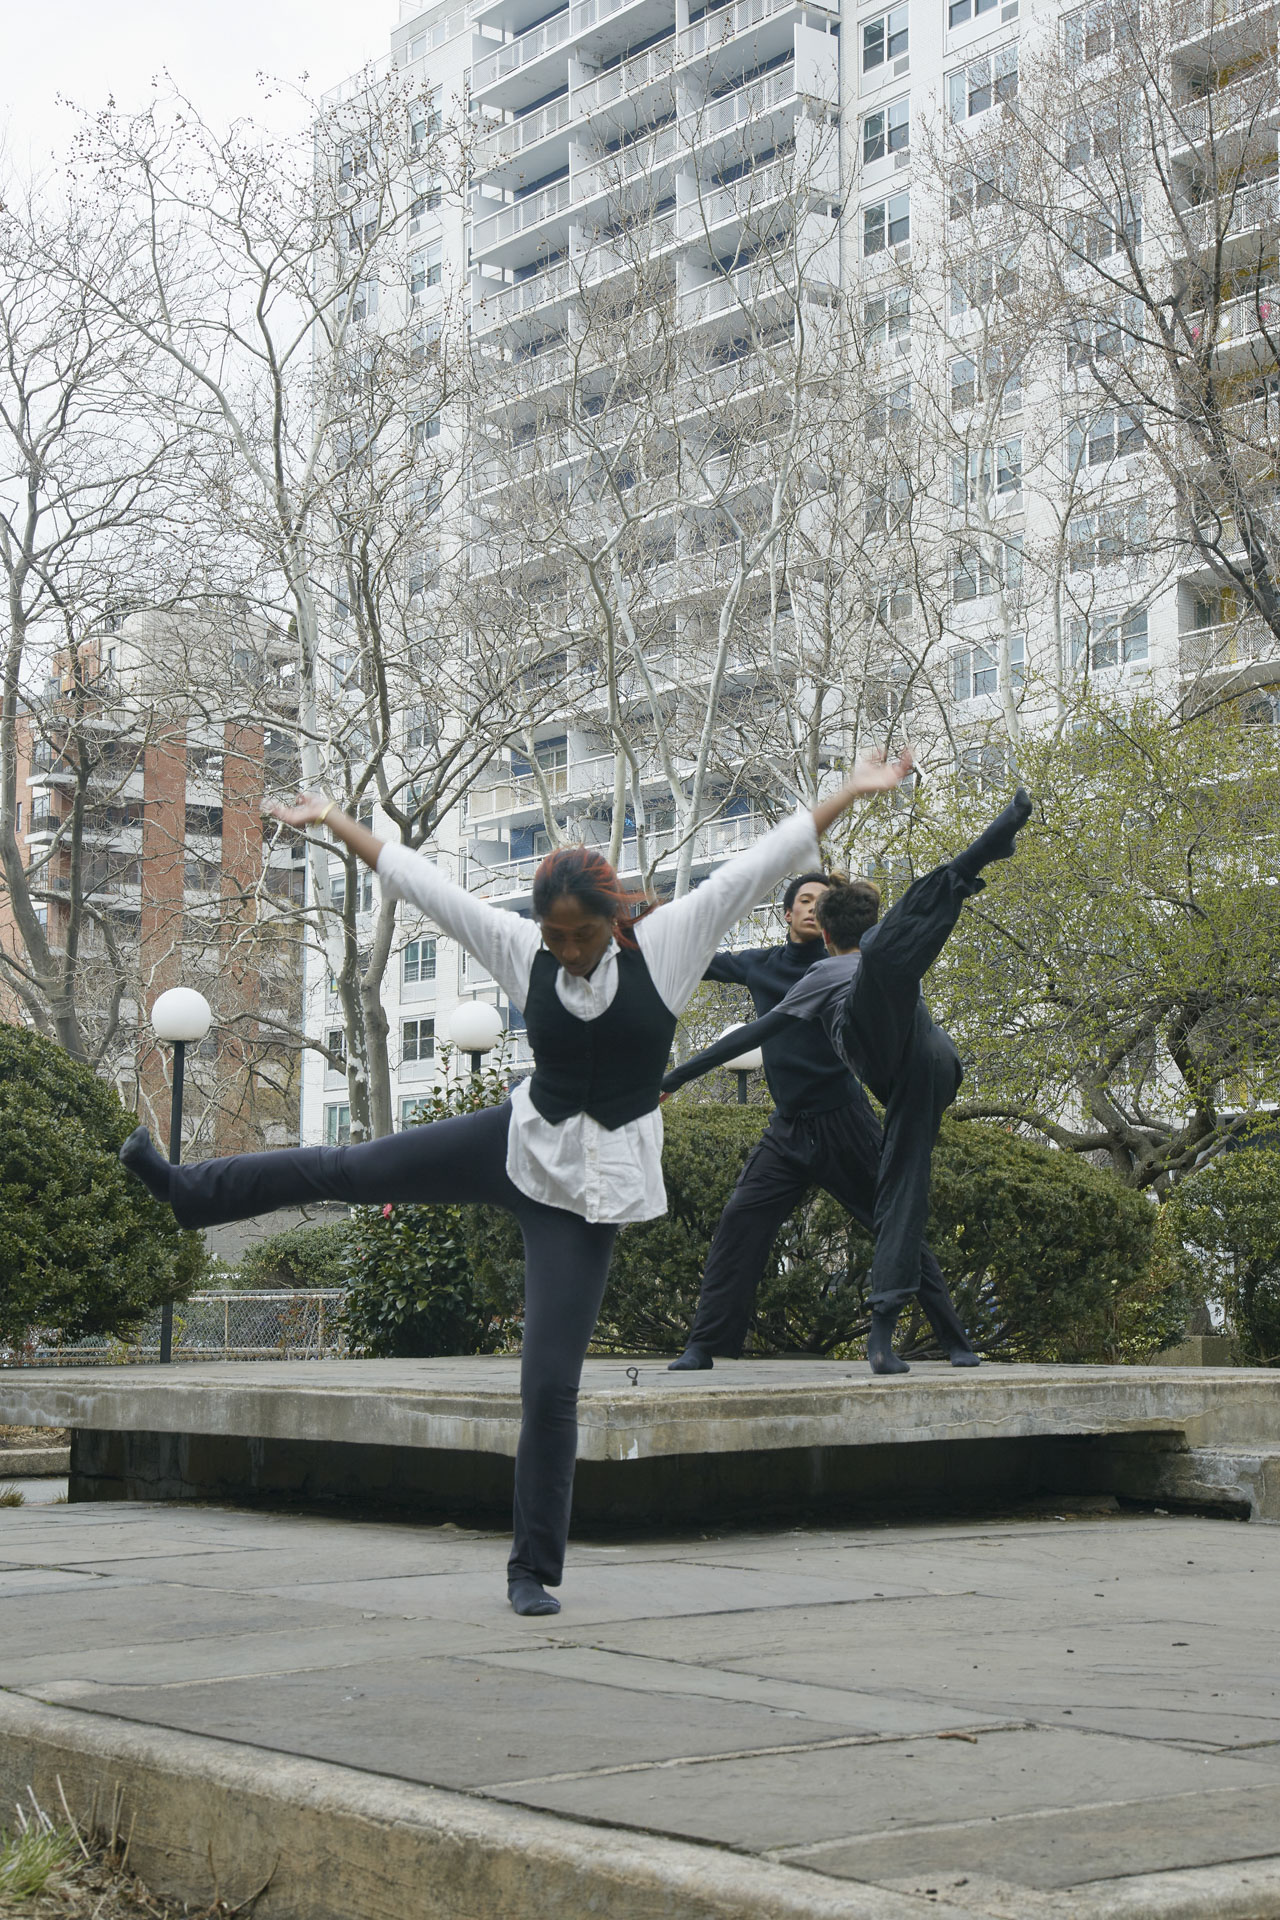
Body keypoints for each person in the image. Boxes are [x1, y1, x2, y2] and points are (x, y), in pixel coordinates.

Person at [119, 752, 914, 1615]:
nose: (566, 951)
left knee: (547, 1385)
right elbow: (422, 883)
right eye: (553, 936)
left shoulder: (672, 942)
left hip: (586, 1197)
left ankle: (531, 1568)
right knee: (348, 1167)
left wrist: (854, 791)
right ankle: (188, 1191)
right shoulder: (519, 946)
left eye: (580, 935)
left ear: (615, 922)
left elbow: (761, 861)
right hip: (514, 1140)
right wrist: (337, 823)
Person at [662, 787, 1032, 1376]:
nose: (811, 908)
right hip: (788, 1129)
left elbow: (872, 962)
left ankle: (954, 1337)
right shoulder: (760, 965)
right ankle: (703, 1345)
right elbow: (695, 967)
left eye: (821, 901)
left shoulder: (851, 961)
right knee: (740, 1221)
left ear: (831, 921)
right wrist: (638, 937)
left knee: (893, 1217)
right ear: (787, 914)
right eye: (801, 900)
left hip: (845, 1119)